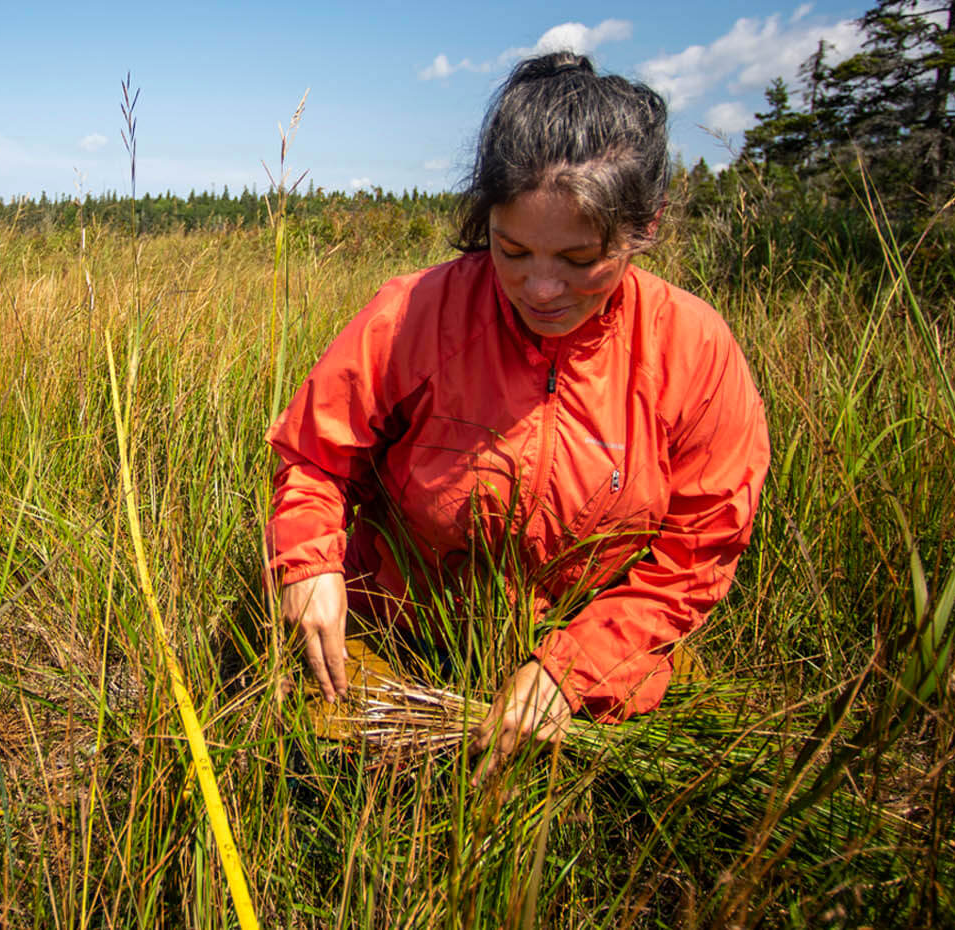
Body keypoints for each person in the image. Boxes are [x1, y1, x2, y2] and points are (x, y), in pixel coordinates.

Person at [265, 52, 770, 774]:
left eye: (578, 258)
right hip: (403, 630)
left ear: (645, 226)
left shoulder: (693, 349)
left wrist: (574, 666)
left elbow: (699, 548)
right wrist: (309, 560)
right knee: (320, 752)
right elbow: (313, 454)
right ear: (487, 221)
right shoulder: (416, 314)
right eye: (513, 250)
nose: (540, 288)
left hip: (602, 643)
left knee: (701, 772)